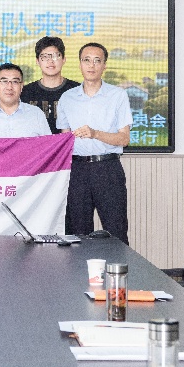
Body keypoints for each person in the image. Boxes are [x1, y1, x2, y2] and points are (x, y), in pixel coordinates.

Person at [56, 42, 133, 245]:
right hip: (77, 170)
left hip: (107, 168)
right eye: (86, 60)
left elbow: (124, 138)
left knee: (116, 230)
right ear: (80, 64)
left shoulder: (117, 95)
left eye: (97, 61)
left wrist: (95, 134)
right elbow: (64, 141)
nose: (91, 65)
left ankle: (118, 267)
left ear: (104, 65)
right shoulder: (67, 98)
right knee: (77, 234)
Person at [0, 63, 51, 138]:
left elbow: (48, 146)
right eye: (4, 81)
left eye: (15, 82)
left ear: (21, 86)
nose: (9, 87)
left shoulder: (36, 114)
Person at [21, 36, 80, 134]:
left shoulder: (77, 91)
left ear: (64, 59)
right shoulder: (25, 92)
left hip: (70, 143)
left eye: (55, 56)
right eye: (45, 57)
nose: (50, 61)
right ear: (37, 61)